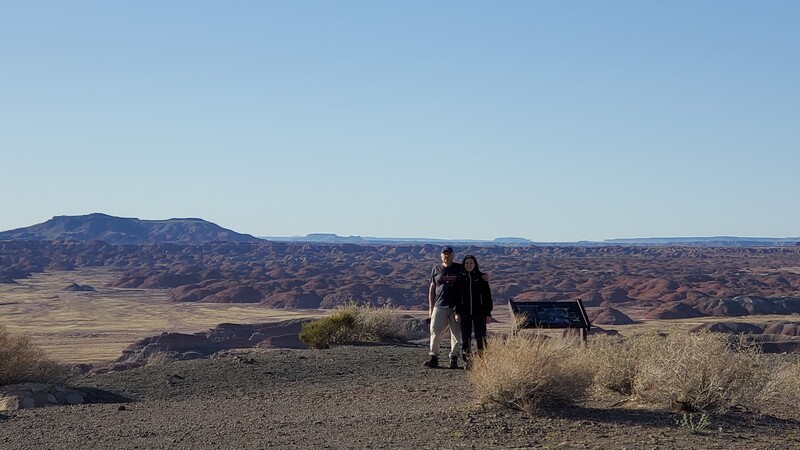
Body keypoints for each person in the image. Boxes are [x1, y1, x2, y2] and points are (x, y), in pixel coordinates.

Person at [423, 246, 463, 369]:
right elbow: (432, 289)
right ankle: (434, 357)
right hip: (439, 305)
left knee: (455, 333)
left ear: (453, 255)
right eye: (444, 254)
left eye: (449, 254)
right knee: (434, 331)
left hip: (455, 307)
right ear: (441, 256)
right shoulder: (436, 269)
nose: (447, 256)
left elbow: (463, 287)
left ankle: (454, 359)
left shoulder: (459, 269)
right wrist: (431, 307)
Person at [454, 255, 492, 369]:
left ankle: (482, 360)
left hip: (479, 312)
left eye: (471, 263)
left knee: (481, 337)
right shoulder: (460, 278)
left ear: (475, 264)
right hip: (464, 312)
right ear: (463, 265)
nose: (469, 265)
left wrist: (488, 313)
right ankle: (468, 361)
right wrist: (457, 312)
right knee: (466, 338)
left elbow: (487, 297)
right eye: (466, 263)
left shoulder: (481, 278)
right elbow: (456, 297)